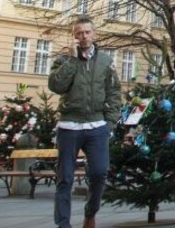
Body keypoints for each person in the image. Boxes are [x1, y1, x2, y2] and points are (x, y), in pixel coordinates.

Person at [49, 16, 121, 228]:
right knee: (65, 179)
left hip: (97, 126)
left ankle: (90, 213)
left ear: (94, 34)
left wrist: (110, 122)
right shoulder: (63, 60)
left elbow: (114, 92)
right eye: (79, 33)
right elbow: (56, 86)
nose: (84, 36)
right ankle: (63, 225)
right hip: (69, 126)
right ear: (74, 36)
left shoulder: (105, 61)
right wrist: (72, 60)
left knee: (99, 173)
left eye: (87, 32)